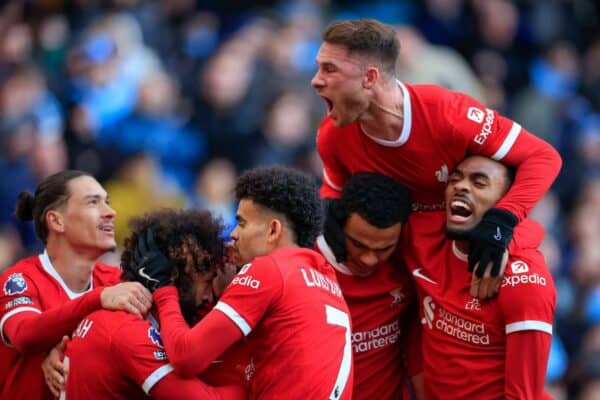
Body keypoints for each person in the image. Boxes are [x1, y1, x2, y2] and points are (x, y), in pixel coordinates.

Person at [311, 19, 562, 290]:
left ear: (370, 78)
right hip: (401, 276)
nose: (316, 81)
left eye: (329, 69)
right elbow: (335, 192)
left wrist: (502, 221)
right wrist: (329, 214)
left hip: (475, 262)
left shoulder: (447, 114)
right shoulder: (332, 136)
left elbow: (543, 157)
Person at [134, 166, 353, 400]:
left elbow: (187, 357)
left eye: (242, 223)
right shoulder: (327, 280)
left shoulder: (269, 269)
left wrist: (164, 289)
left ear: (273, 230)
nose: (234, 234)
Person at [403, 155, 556, 399]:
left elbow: (523, 395)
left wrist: (510, 239)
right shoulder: (422, 238)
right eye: (455, 178)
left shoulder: (524, 280)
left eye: (479, 183)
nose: (461, 186)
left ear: (505, 203)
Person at [62, 209, 246, 399]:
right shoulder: (129, 332)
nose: (209, 297)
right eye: (207, 283)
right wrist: (255, 380)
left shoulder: (120, 312)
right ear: (176, 279)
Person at [0, 170, 152, 400]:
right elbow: (25, 334)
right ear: (56, 221)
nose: (110, 212)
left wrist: (67, 349)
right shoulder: (20, 279)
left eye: (107, 202)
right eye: (93, 203)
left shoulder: (116, 281)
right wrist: (97, 299)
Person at [316, 173, 423, 400]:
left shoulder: (409, 266)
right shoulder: (306, 266)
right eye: (358, 244)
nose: (369, 259)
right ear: (337, 225)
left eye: (384, 248)